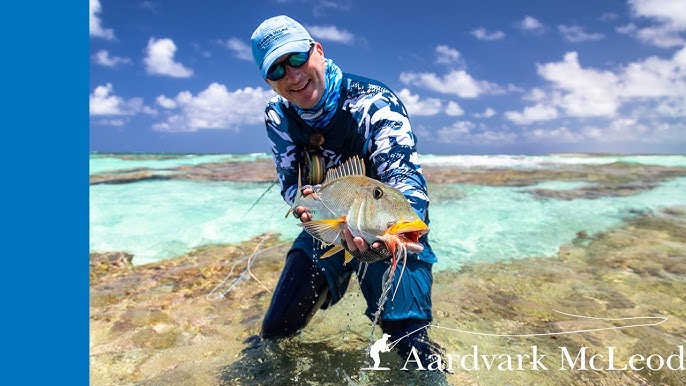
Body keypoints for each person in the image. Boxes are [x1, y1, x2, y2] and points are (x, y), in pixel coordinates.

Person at [250, 15, 440, 365]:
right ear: (269, 81)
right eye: (277, 70)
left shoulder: (374, 102)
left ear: (318, 52)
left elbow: (407, 183)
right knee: (276, 330)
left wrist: (382, 245)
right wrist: (304, 209)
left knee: (410, 342)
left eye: (296, 58)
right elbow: (291, 184)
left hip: (386, 227)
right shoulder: (277, 114)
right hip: (329, 223)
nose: (292, 75)